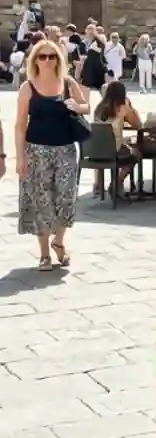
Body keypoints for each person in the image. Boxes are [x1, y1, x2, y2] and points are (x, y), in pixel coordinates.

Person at [12, 40, 89, 271]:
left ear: (58, 59)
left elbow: (86, 106)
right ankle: (44, 254)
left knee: (66, 198)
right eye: (42, 56)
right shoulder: (28, 87)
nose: (47, 60)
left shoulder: (67, 83)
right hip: (36, 150)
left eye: (51, 56)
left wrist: (77, 106)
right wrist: (19, 157)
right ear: (35, 60)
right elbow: (20, 124)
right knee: (41, 202)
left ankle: (59, 241)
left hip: (65, 150)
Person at [93, 80, 144, 197]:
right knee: (136, 154)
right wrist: (131, 109)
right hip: (113, 149)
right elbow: (138, 124)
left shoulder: (99, 108)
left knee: (118, 146)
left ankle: (98, 185)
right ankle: (117, 183)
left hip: (95, 149)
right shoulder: (122, 107)